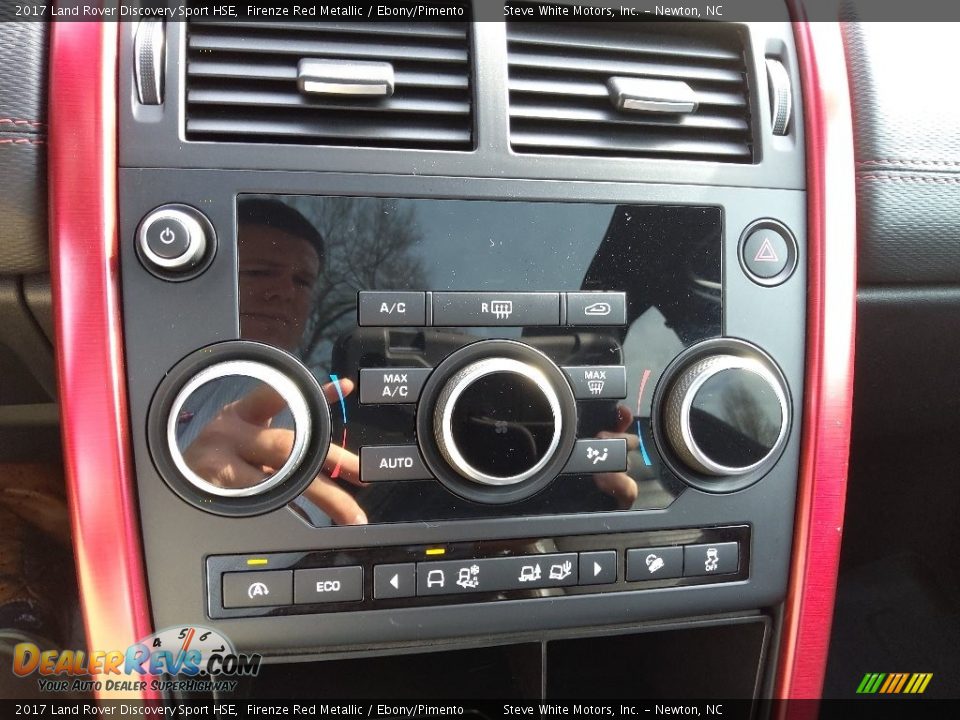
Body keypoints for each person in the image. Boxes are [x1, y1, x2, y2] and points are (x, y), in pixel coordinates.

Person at [176, 198, 366, 525]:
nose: (284, 292)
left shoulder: (297, 394)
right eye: (259, 272)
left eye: (302, 282)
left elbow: (290, 539)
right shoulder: (122, 370)